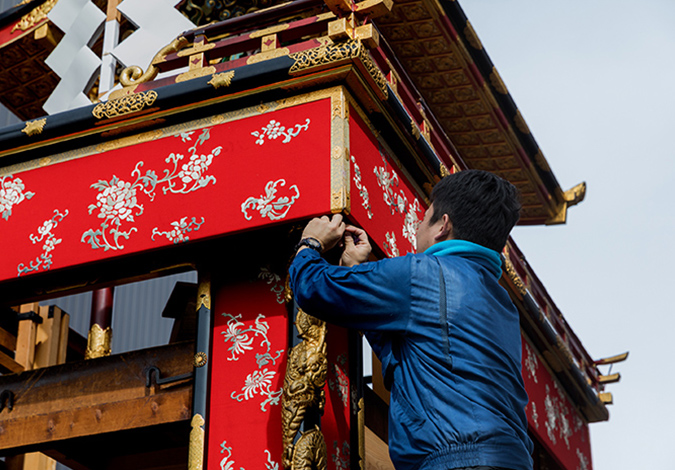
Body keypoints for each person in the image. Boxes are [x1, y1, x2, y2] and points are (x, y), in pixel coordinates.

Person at [289, 170, 533, 470]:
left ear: (443, 226)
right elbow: (412, 358)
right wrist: (356, 270)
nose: (417, 226)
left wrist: (310, 243)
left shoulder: (422, 273)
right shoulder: (502, 305)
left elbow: (313, 287)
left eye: (423, 217)